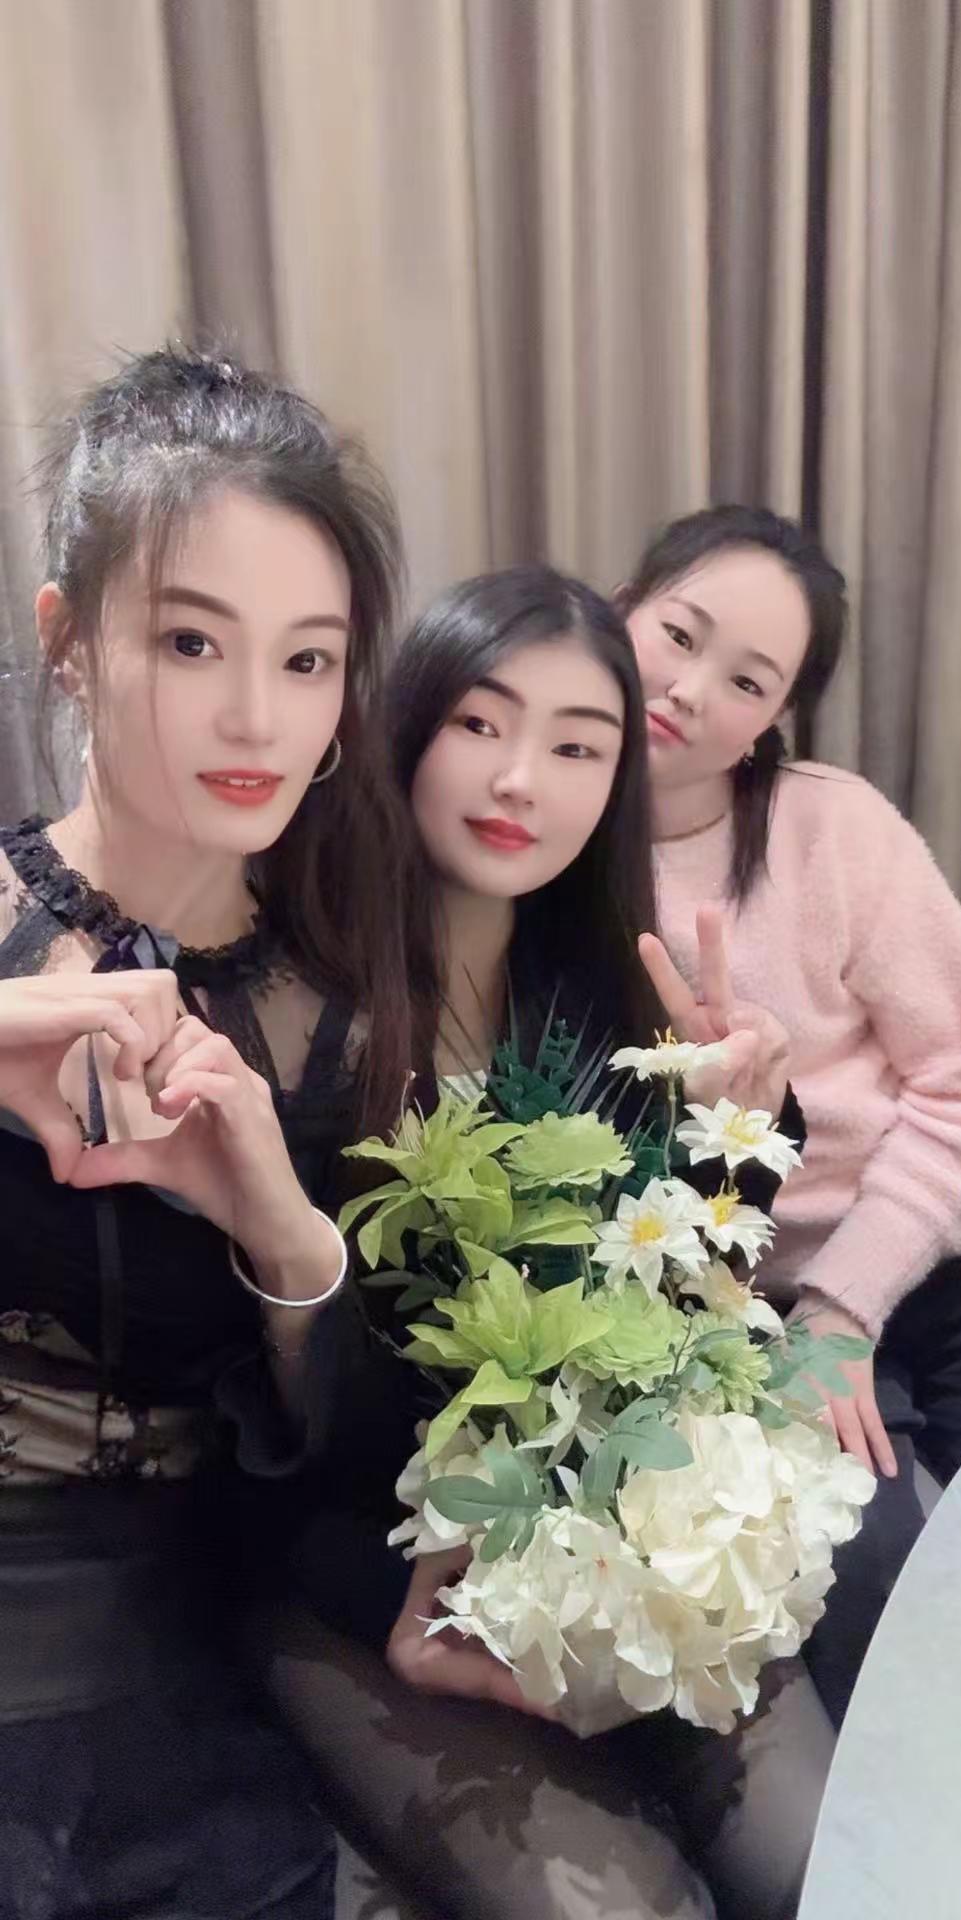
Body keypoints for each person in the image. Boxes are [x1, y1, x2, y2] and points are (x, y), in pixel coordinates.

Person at [283, 567, 834, 1920]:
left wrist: (733, 1123)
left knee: (831, 1868)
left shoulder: (608, 995)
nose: (521, 779)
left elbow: (693, 1297)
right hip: (361, 1572)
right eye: (481, 724)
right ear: (408, 725)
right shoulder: (299, 1008)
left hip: (615, 1549)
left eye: (580, 747)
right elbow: (286, 1421)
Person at [0, 344, 421, 1919]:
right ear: (67, 640)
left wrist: (286, 1242)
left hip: (179, 1634)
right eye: (191, 642)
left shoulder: (343, 1011)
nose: (256, 716)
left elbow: (364, 1470)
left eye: (309, 661)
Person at [619, 502, 961, 1718]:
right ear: (623, 608)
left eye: (747, 679)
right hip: (741, 1307)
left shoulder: (834, 828)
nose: (689, 689)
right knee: (889, 1600)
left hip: (919, 1253)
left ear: (775, 716)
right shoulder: (541, 845)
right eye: (679, 634)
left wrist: (846, 1303)